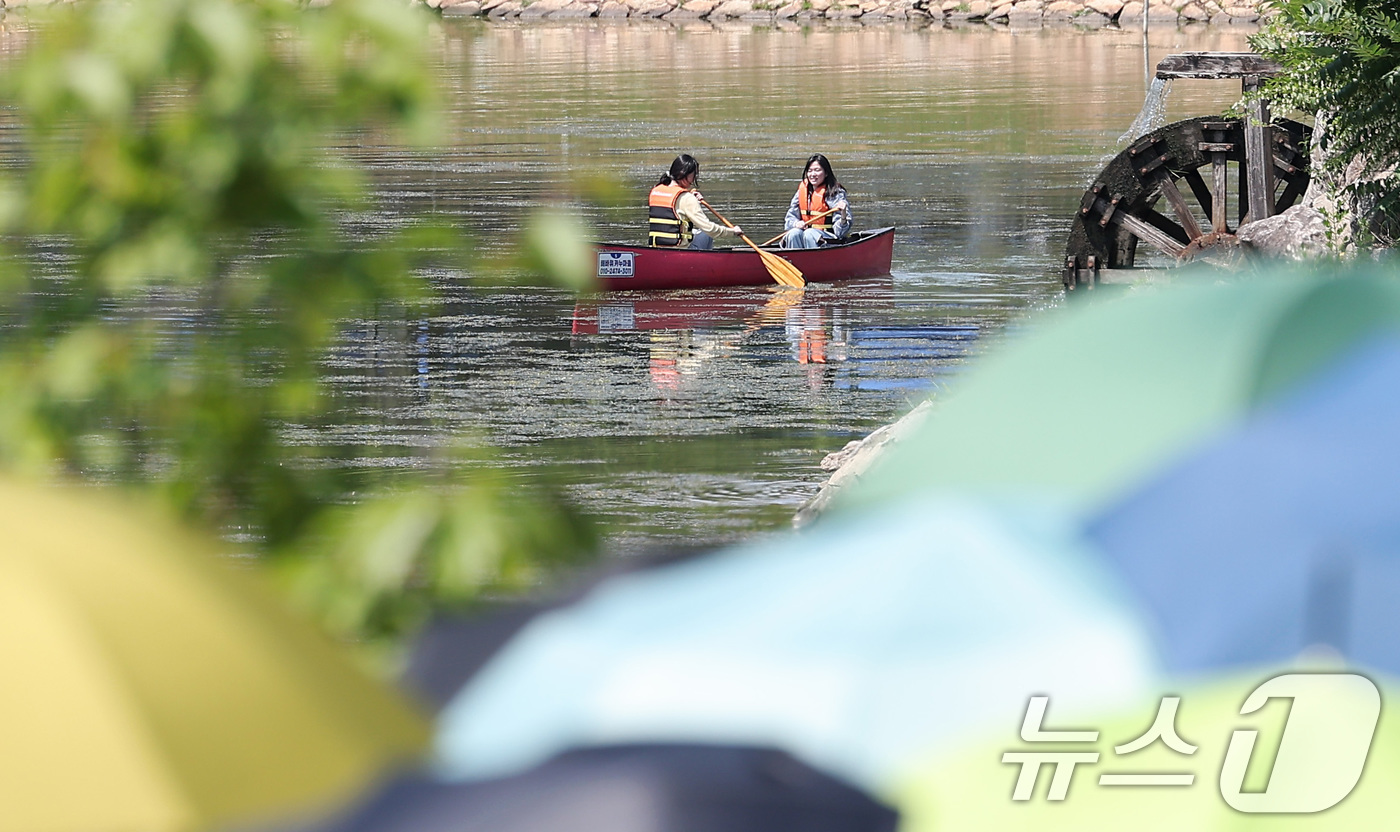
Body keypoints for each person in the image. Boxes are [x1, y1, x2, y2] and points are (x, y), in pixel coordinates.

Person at [648, 154, 742, 250]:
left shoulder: (655, 191)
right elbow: (709, 228)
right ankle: (707, 262)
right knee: (706, 233)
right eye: (694, 175)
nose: (694, 179)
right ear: (683, 174)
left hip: (657, 250)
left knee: (693, 231)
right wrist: (732, 231)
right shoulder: (687, 198)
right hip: (680, 252)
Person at [781, 154, 851, 249]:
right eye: (810, 171)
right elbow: (789, 219)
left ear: (826, 173)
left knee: (809, 233)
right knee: (794, 233)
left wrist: (843, 215)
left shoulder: (835, 193)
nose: (813, 174)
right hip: (805, 234)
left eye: (817, 170)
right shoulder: (802, 191)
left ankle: (815, 261)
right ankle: (795, 261)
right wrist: (796, 224)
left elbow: (840, 233)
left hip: (827, 239)